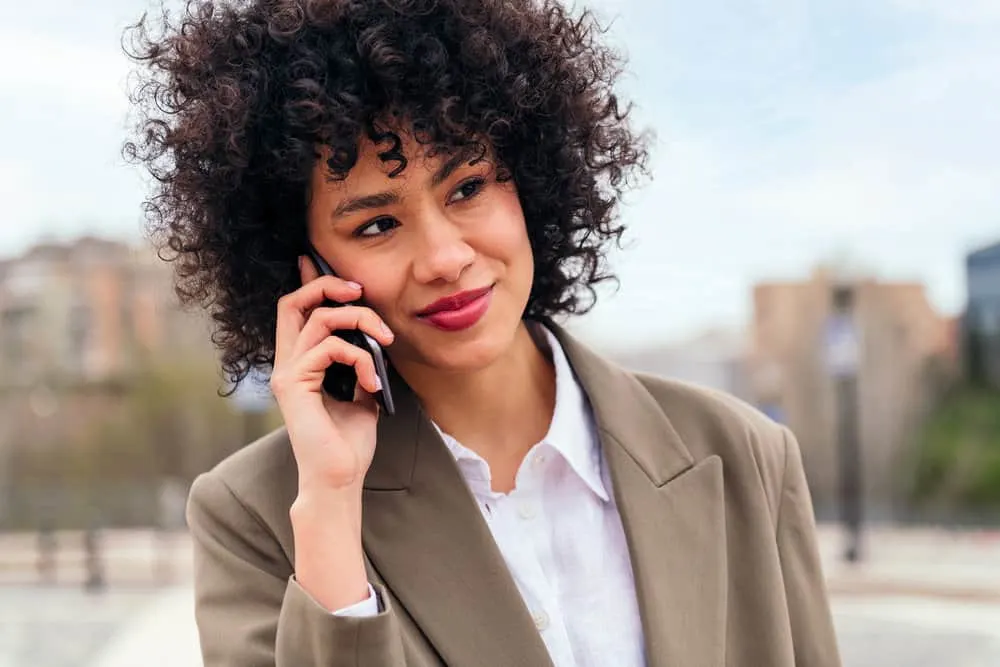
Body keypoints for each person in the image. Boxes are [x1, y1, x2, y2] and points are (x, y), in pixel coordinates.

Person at [124, 1, 841, 665]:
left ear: (529, 177)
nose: (445, 257)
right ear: (303, 266)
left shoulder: (744, 457)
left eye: (467, 188)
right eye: (376, 224)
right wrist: (333, 512)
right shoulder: (256, 513)